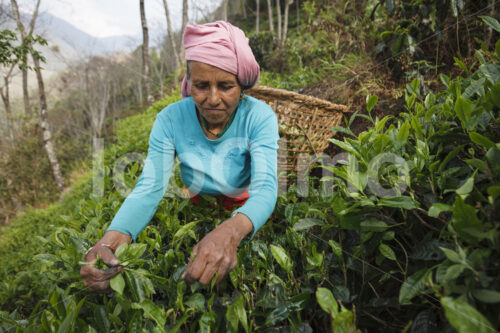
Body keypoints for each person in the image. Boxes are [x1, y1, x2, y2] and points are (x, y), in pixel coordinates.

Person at [80, 21, 279, 291]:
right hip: (197, 202)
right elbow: (150, 186)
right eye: (200, 86)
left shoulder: (259, 116)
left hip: (242, 207)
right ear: (188, 83)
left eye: (225, 86)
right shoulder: (170, 119)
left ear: (242, 85)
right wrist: (110, 239)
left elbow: (266, 187)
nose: (212, 98)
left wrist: (231, 232)